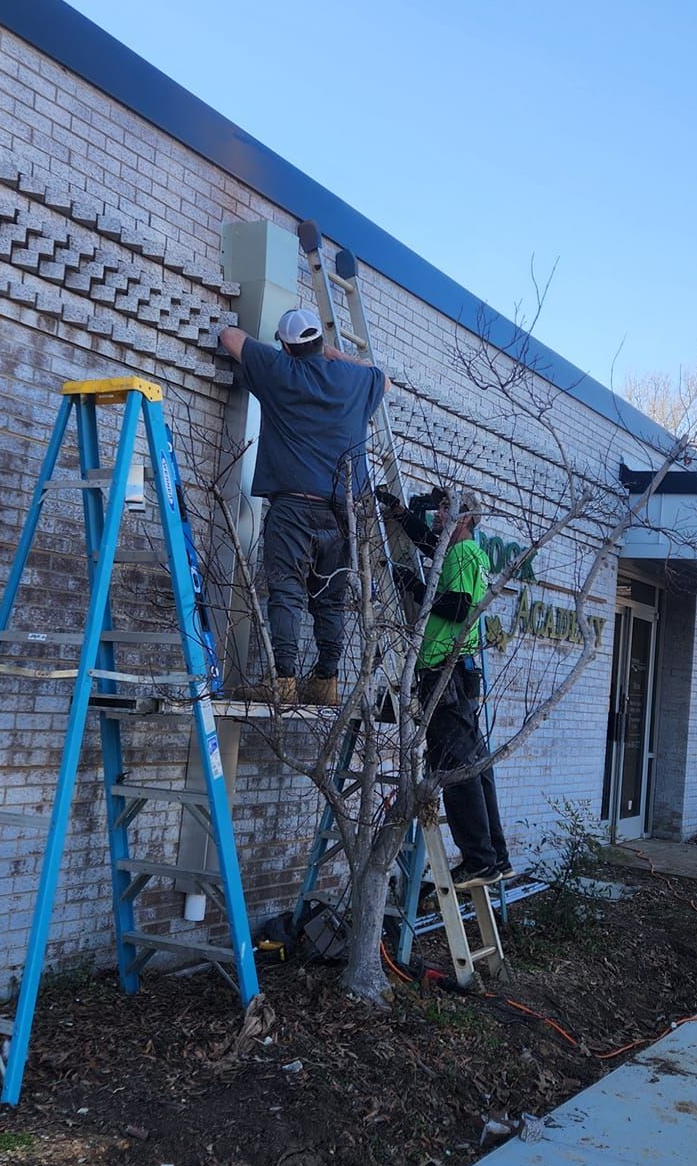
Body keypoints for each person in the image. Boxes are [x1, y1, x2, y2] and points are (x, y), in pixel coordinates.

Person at [218, 305, 388, 705]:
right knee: (330, 599)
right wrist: (334, 353)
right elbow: (381, 378)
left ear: (286, 346)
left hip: (293, 507)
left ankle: (284, 681)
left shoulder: (281, 372)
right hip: (340, 512)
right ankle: (326, 682)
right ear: (318, 343)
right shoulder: (354, 381)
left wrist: (281, 354)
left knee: (287, 591)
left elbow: (229, 336)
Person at [415, 499, 511, 881]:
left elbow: (457, 608)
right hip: (459, 672)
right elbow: (427, 544)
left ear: (466, 518)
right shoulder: (469, 553)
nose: (436, 516)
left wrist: (413, 587)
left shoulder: (462, 553)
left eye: (444, 510)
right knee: (474, 766)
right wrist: (403, 515)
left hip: (443, 671)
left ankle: (478, 859)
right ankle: (495, 857)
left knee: (455, 769)